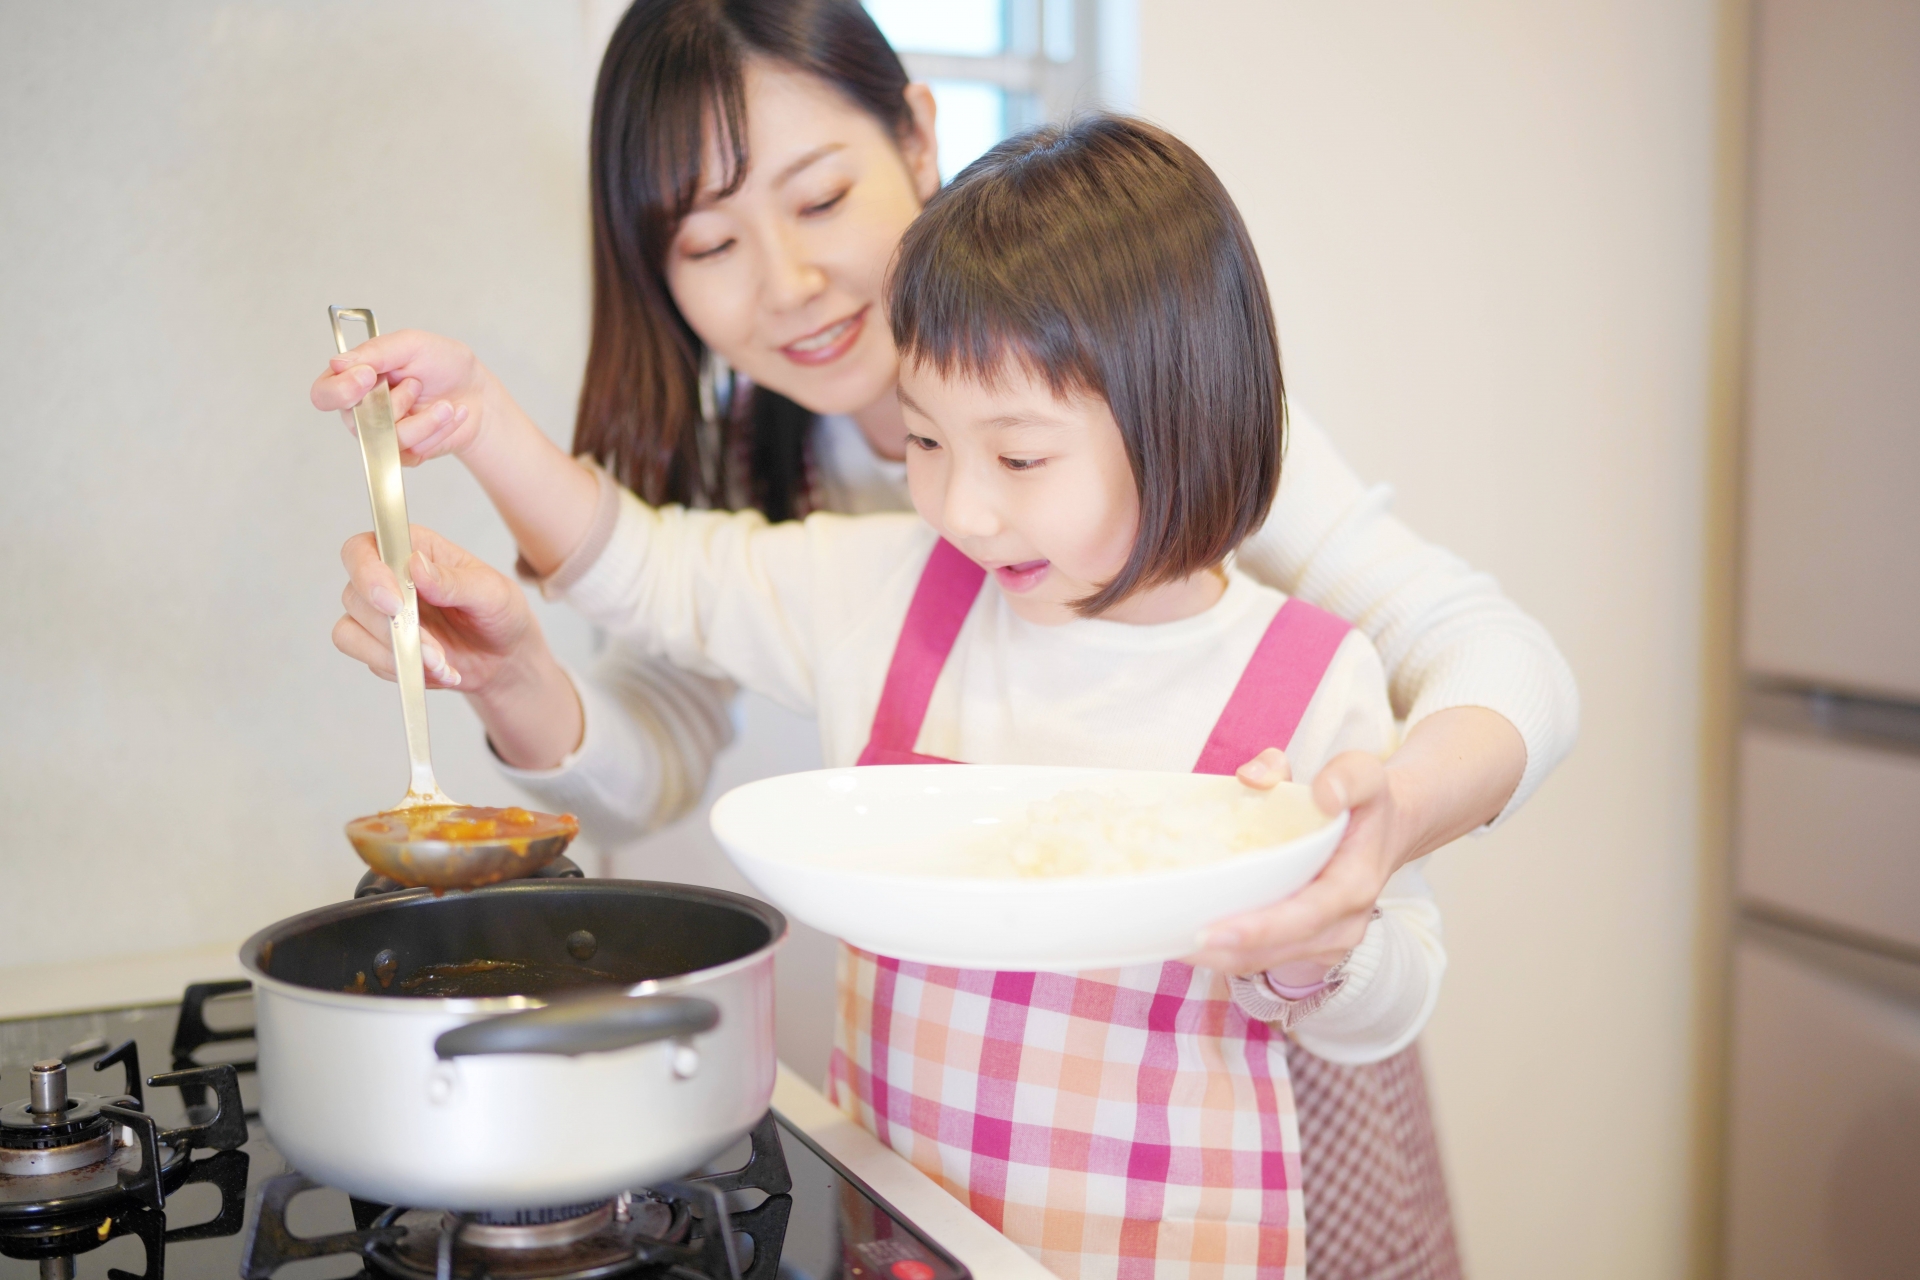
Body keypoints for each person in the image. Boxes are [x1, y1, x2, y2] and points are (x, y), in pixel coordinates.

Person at [313, 4, 1576, 1274]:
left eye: (817, 199)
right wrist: (508, 599)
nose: (787, 283)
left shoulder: (1171, 404)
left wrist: (1367, 845)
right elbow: (648, 634)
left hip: (1255, 1113)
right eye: (710, 241)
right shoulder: (827, 538)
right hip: (952, 1186)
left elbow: (1492, 658)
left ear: (916, 137)